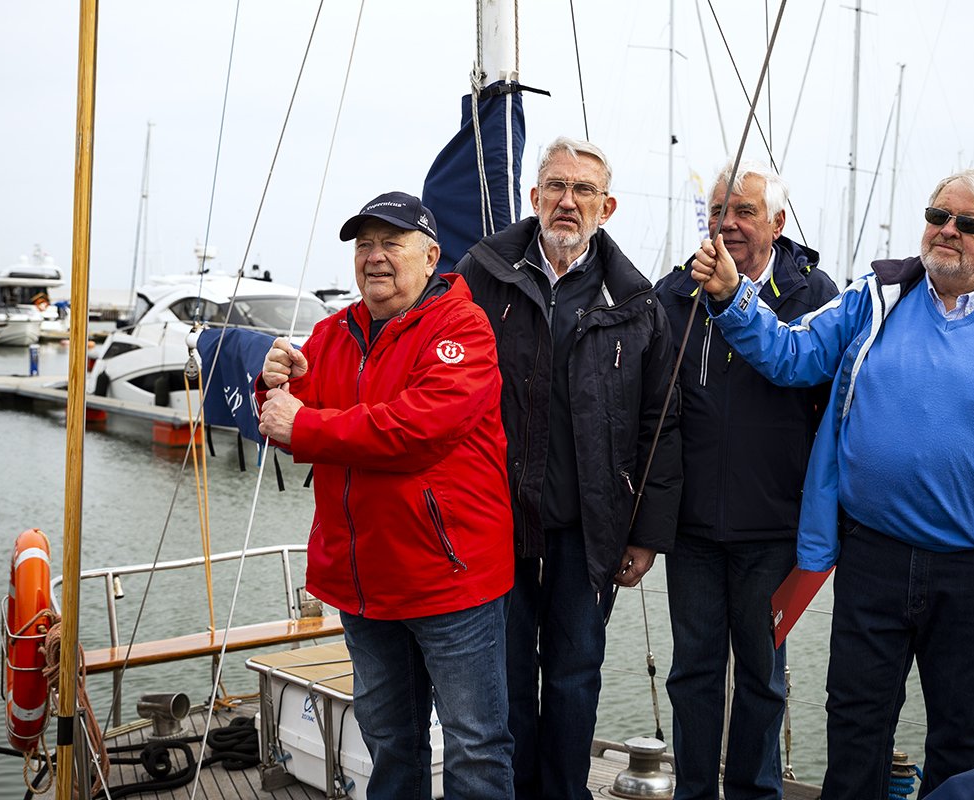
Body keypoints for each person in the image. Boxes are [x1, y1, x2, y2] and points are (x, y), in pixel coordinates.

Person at [689, 168, 974, 798]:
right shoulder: (877, 295)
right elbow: (794, 354)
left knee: (964, 745)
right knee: (854, 734)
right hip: (873, 559)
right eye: (937, 215)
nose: (946, 231)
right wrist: (731, 297)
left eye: (967, 224)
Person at [256, 191, 516, 799]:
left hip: (449, 580)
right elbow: (282, 411)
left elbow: (418, 429)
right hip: (365, 583)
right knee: (387, 739)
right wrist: (268, 379)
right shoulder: (330, 333)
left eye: (390, 243)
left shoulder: (462, 327)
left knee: (476, 746)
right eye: (364, 244)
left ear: (430, 257)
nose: (374, 257)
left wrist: (305, 424)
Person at [454, 137, 682, 799]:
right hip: (497, 521)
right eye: (555, 186)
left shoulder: (635, 301)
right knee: (504, 674)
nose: (567, 201)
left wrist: (646, 534)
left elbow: (659, 425)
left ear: (605, 206)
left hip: (591, 528)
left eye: (584, 191)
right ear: (533, 197)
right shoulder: (482, 274)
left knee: (576, 675)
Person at [654, 161, 837, 799]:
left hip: (775, 528)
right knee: (692, 674)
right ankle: (694, 793)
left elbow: (836, 415)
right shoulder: (674, 294)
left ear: (778, 223)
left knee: (763, 677)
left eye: (744, 212)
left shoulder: (817, 298)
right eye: (717, 212)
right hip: (693, 528)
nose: (727, 224)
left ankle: (756, 795)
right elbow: (656, 412)